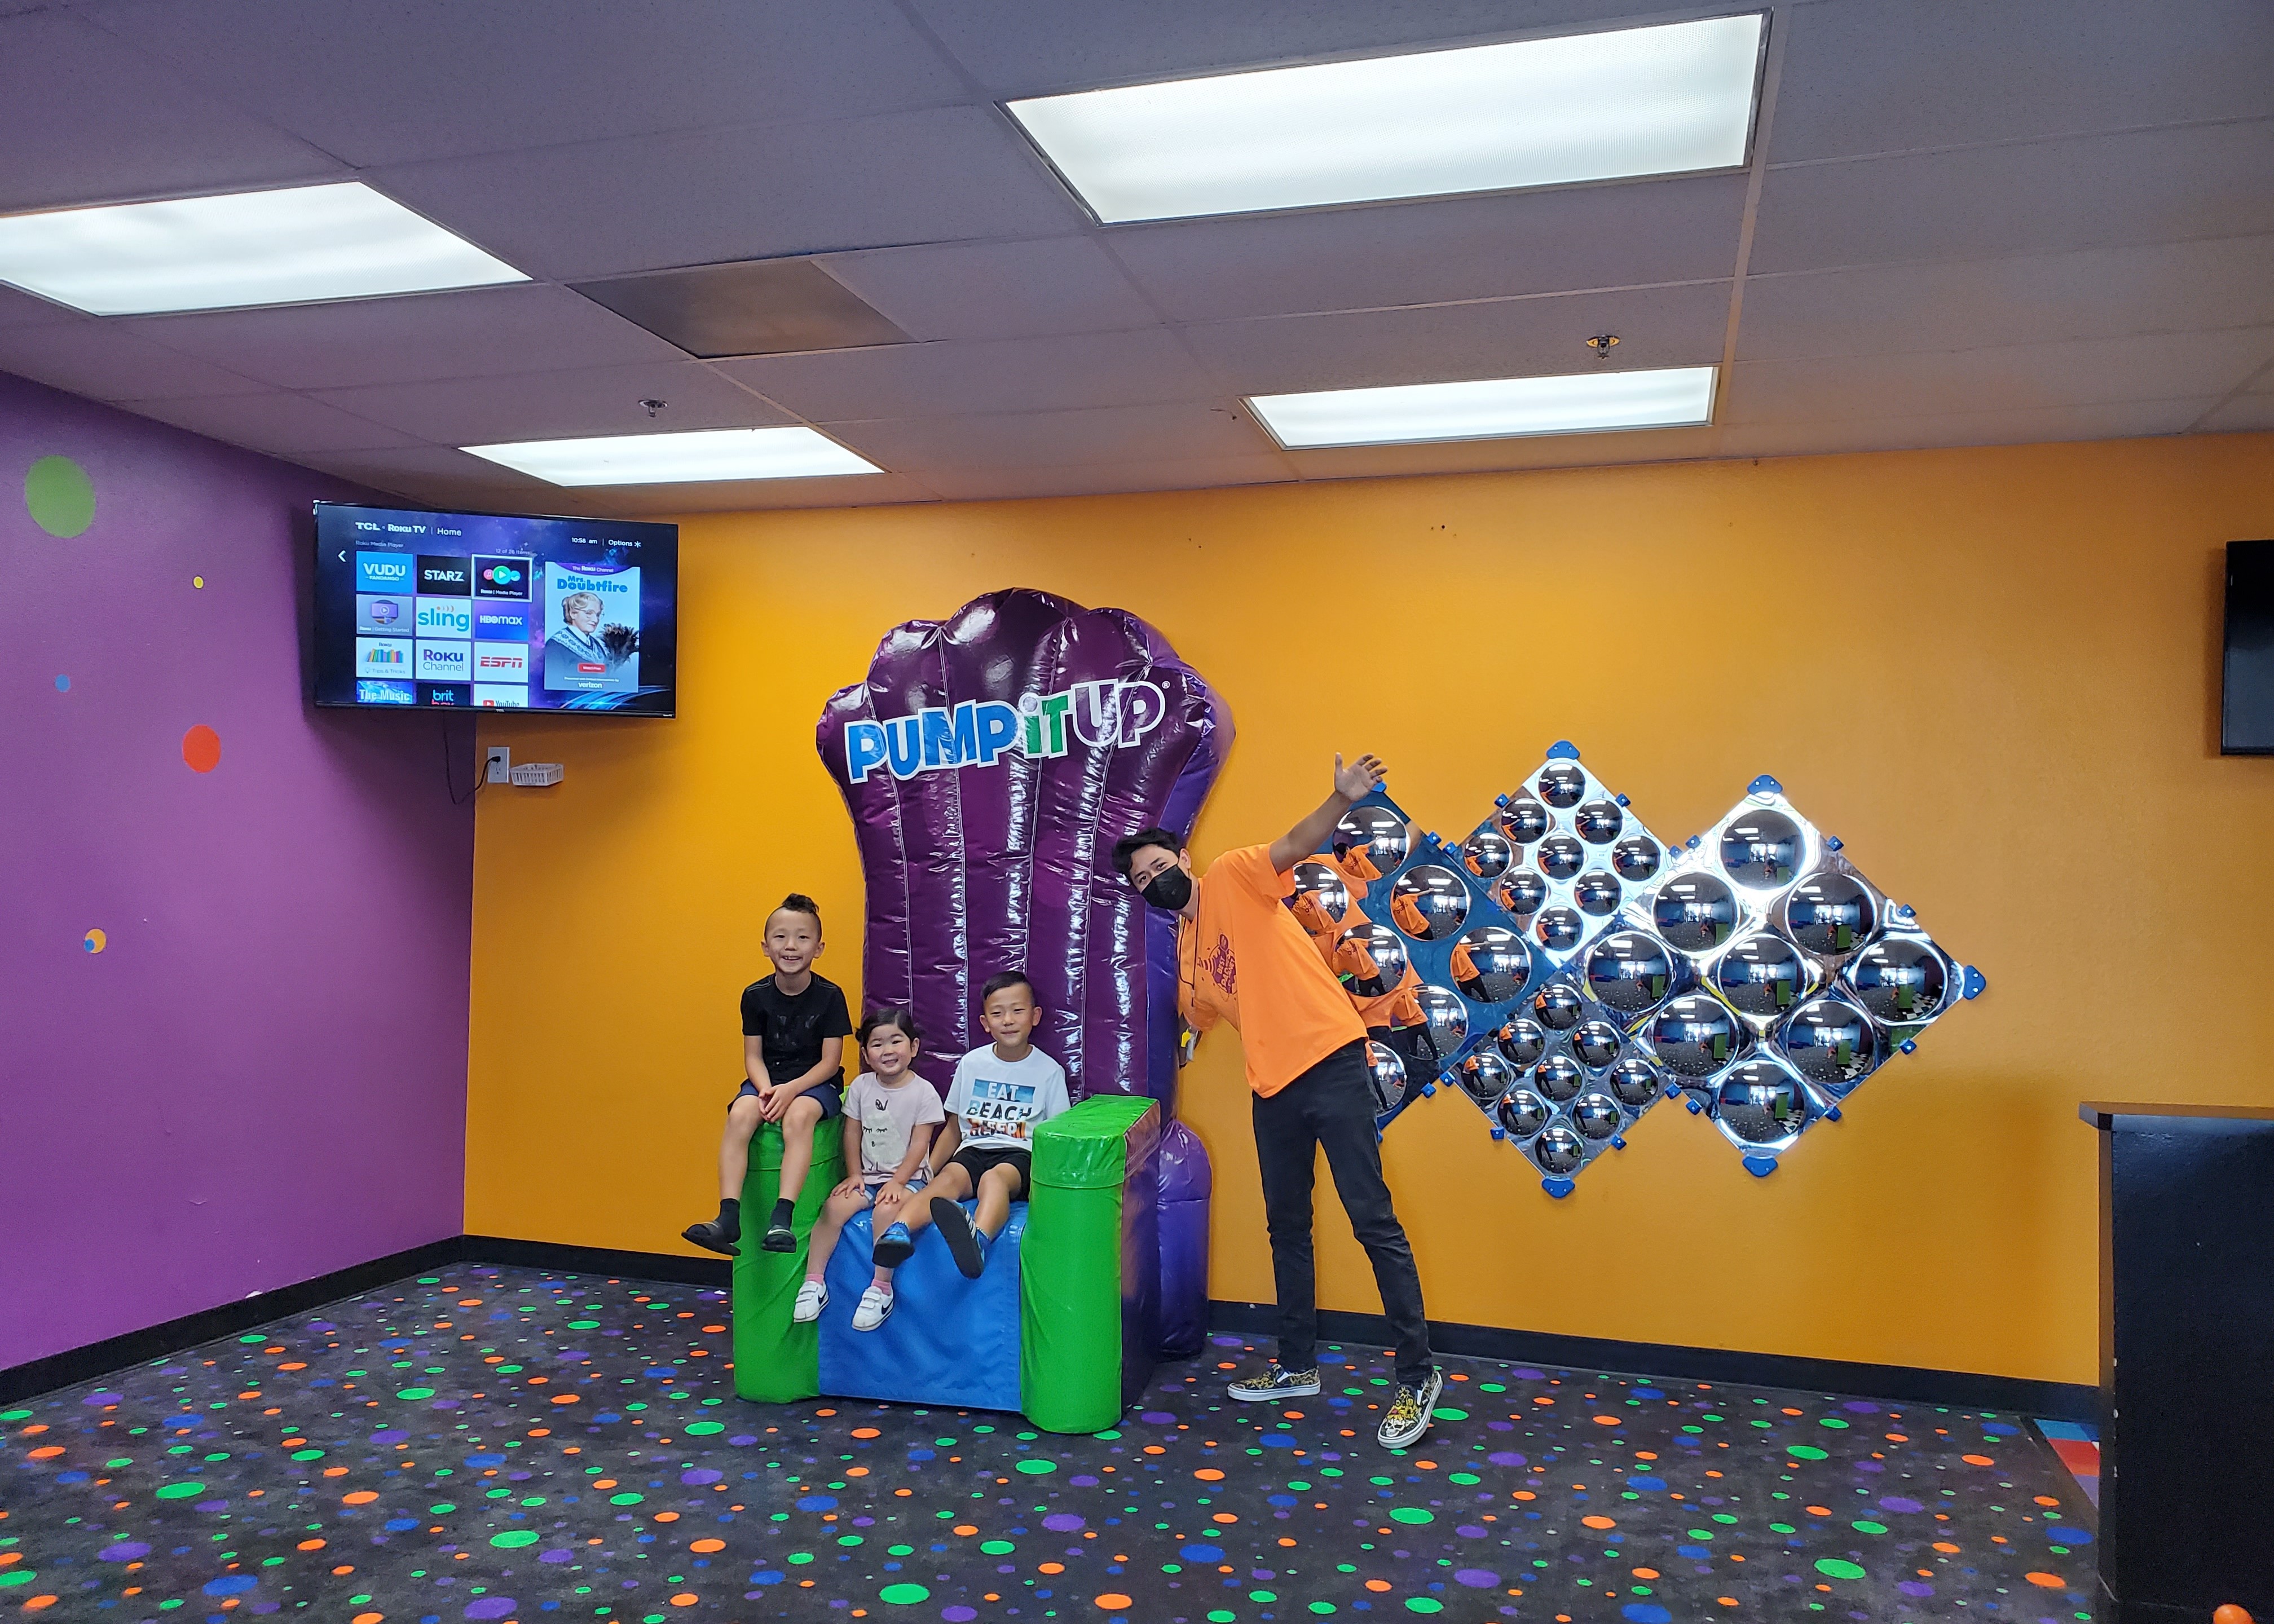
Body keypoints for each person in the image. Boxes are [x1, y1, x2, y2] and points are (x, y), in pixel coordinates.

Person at [1113, 754, 1443, 1450]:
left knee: (1372, 1221)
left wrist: (1339, 797)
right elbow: (1196, 1013)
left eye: (1157, 866)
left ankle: (1416, 1376)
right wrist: (1178, 1041)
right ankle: (1296, 1364)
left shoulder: (1235, 874)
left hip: (1331, 1062)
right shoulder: (1188, 948)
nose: (1153, 881)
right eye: (1141, 882)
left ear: (1183, 855)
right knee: (1285, 1227)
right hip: (1273, 1089)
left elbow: (1295, 843)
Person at [681, 893, 853, 1257]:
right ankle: (728, 1217)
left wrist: (790, 1092)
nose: (791, 946)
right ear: (765, 946)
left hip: (813, 1082)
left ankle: (782, 1217)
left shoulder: (830, 996)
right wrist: (765, 1091)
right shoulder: (755, 996)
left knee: (800, 1117)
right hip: (768, 1080)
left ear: (819, 948)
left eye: (802, 938)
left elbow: (830, 1062)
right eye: (781, 937)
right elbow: (753, 1056)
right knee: (740, 1115)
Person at [870, 972, 1070, 1280]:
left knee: (994, 1180)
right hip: (973, 1147)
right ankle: (899, 1230)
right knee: (947, 1181)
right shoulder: (972, 1063)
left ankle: (979, 1239)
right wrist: (928, 1172)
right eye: (997, 1013)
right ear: (985, 1023)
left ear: (1035, 1016)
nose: (1008, 1020)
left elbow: (1055, 1137)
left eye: (1017, 1011)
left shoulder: (1048, 1071)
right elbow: (953, 1128)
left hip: (1019, 1154)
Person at [795, 1008, 945, 1331]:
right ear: (865, 1053)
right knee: (834, 1208)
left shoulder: (924, 1092)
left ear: (914, 1047)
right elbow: (852, 1132)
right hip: (869, 1178)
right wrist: (854, 1175)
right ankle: (814, 1282)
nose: (887, 1051)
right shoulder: (862, 1087)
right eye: (877, 1044)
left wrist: (900, 1180)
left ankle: (881, 1288)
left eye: (896, 1041)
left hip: (911, 1180)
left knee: (886, 1211)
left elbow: (921, 1144)